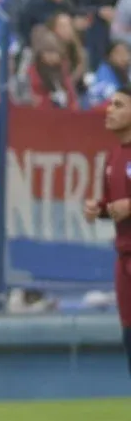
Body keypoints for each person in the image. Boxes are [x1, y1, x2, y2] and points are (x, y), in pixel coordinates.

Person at [83, 87, 131, 385]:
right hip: (123, 260)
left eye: (118, 105)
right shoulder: (113, 157)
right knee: (128, 336)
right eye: (110, 104)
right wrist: (98, 209)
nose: (109, 110)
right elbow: (112, 205)